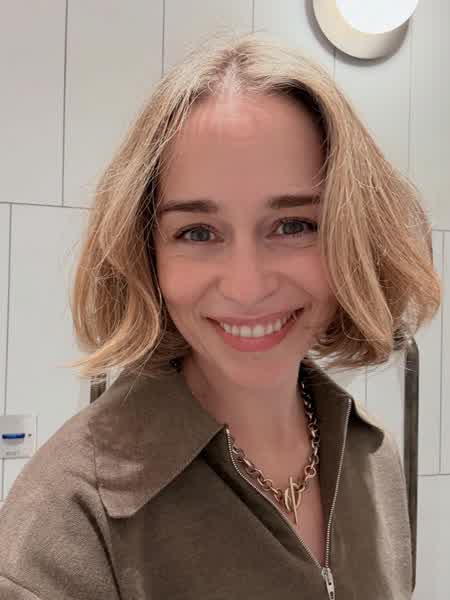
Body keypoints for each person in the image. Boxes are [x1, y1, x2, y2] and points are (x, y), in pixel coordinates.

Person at [0, 32, 440, 599]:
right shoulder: (68, 520)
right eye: (198, 233)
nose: (246, 286)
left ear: (352, 237)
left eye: (294, 225)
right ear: (146, 254)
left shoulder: (372, 456)